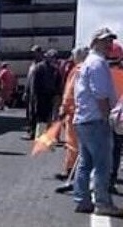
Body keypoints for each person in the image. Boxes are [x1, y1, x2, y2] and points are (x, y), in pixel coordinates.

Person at [72, 27, 123, 217]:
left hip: (85, 119)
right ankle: (103, 203)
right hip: (95, 119)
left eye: (110, 41)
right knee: (103, 164)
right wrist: (107, 117)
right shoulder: (98, 63)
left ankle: (82, 199)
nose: (109, 44)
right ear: (95, 43)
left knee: (86, 162)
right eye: (105, 41)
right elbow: (100, 94)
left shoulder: (88, 62)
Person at [57, 46, 89, 181]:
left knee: (72, 143)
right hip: (87, 113)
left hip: (74, 112)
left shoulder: (77, 70)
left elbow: (70, 92)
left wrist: (63, 108)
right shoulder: (91, 69)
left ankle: (71, 171)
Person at [30, 49, 63, 138]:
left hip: (50, 96)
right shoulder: (39, 67)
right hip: (40, 96)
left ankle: (46, 136)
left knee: (49, 116)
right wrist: (34, 96)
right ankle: (40, 136)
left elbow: (58, 83)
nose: (54, 59)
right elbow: (35, 83)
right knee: (40, 116)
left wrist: (58, 94)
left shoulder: (55, 69)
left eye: (55, 57)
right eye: (52, 57)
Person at [107, 40, 123, 194]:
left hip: (103, 115)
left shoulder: (101, 72)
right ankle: (110, 181)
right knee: (116, 151)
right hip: (119, 119)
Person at [23, 45, 45, 140]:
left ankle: (35, 133)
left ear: (40, 53)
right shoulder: (32, 65)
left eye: (35, 52)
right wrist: (26, 92)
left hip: (39, 94)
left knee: (37, 114)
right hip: (31, 93)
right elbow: (28, 80)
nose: (33, 54)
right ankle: (30, 131)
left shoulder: (42, 65)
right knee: (30, 113)